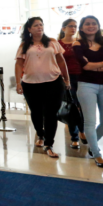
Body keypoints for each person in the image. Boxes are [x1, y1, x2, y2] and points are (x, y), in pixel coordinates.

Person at [15, 17, 71, 158]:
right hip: (30, 84)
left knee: (51, 113)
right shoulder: (24, 45)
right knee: (36, 111)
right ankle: (40, 133)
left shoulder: (52, 42)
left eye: (41, 24)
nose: (39, 27)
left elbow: (61, 61)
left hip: (53, 82)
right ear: (29, 29)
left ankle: (49, 144)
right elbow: (18, 64)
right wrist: (17, 82)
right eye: (35, 25)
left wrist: (66, 79)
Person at [73, 15, 103, 168]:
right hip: (86, 85)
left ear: (98, 26)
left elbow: (90, 64)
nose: (91, 26)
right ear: (82, 28)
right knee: (90, 122)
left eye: (94, 23)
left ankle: (92, 145)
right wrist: (95, 65)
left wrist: (93, 64)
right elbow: (85, 66)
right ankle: (97, 155)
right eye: (87, 24)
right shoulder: (78, 44)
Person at [58, 18, 85, 149]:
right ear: (63, 28)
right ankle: (75, 137)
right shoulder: (58, 44)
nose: (73, 28)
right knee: (72, 107)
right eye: (70, 26)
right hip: (65, 78)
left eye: (75, 26)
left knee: (82, 106)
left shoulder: (80, 43)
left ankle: (82, 131)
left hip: (81, 77)